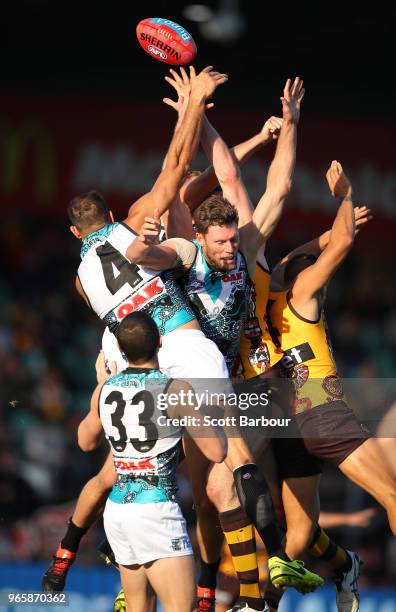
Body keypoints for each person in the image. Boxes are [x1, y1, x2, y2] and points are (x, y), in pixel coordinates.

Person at [42, 64, 230, 593]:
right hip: (178, 342)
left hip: (125, 348)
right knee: (218, 463)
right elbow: (177, 165)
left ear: (74, 230)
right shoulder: (136, 220)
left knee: (110, 466)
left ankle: (73, 549)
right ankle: (220, 588)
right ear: (111, 214)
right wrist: (194, 104)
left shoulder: (80, 279)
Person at [266, 161, 396, 611]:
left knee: (298, 536)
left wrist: (332, 230)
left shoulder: (274, 288)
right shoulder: (304, 294)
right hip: (323, 410)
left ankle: (260, 606)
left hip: (287, 421)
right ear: (309, 278)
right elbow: (339, 245)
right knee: (393, 495)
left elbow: (300, 252)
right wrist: (344, 196)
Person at [77, 311, 226, 612]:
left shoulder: (107, 387)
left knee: (137, 606)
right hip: (156, 510)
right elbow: (216, 452)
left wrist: (99, 386)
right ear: (160, 342)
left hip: (118, 512)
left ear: (120, 350)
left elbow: (85, 440)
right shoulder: (175, 389)